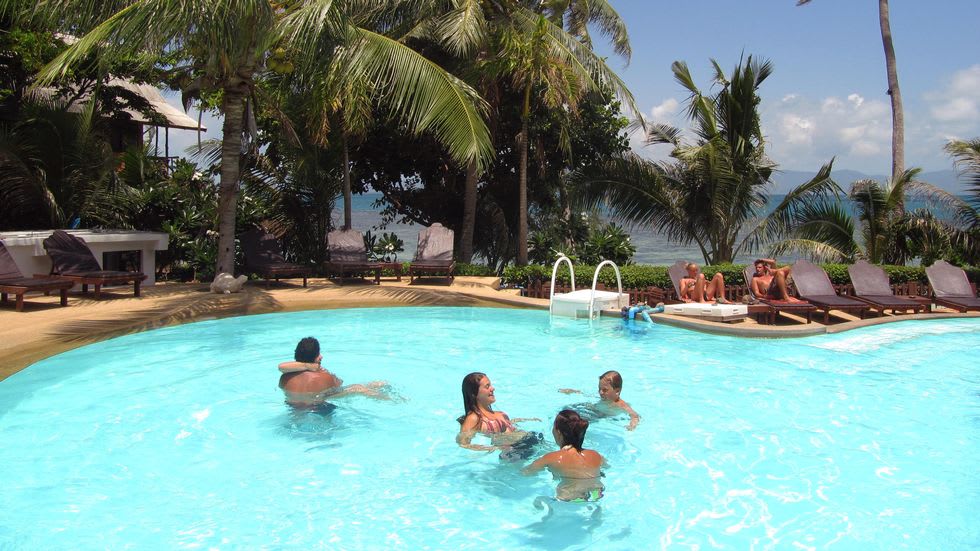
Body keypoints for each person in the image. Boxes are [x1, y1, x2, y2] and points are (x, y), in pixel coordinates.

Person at [278, 337, 388, 407]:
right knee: (358, 388)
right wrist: (325, 373)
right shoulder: (323, 377)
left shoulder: (284, 378)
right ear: (314, 356)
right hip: (318, 408)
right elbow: (339, 383)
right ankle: (390, 400)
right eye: (318, 354)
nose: (321, 357)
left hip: (293, 408)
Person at [523, 410, 605, 502]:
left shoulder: (551, 458)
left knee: (538, 501)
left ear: (558, 432)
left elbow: (526, 472)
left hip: (571, 497)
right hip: (597, 493)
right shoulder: (596, 455)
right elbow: (606, 467)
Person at [457, 372, 541, 454]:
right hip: (514, 452)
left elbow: (507, 424)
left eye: (490, 385)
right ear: (474, 394)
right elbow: (463, 443)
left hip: (529, 441)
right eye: (487, 386)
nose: (492, 388)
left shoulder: (497, 413)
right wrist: (490, 448)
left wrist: (526, 419)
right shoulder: (474, 418)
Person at [557, 371, 640, 431]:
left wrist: (632, 425)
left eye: (605, 390)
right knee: (567, 409)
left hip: (599, 416)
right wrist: (573, 391)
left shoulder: (621, 405)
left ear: (617, 391)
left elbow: (635, 415)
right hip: (593, 409)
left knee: (574, 423)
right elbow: (587, 394)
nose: (600, 392)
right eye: (599, 389)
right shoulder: (604, 397)